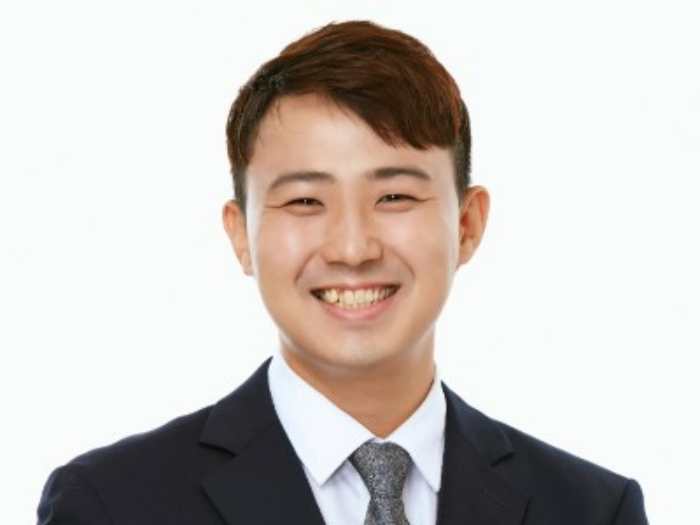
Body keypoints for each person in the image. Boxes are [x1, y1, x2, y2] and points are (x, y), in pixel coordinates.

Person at [37, 20, 649, 524]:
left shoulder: (593, 510)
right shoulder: (113, 504)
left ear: (466, 224)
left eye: (394, 197)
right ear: (240, 235)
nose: (352, 248)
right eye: (306, 200)